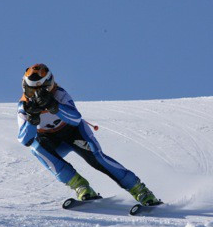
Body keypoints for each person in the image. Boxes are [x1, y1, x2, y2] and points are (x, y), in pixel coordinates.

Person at [17, 63, 159, 205]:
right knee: (36, 148)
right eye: (31, 90)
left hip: (73, 132)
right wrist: (31, 120)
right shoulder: (24, 105)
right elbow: (24, 140)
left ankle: (140, 190)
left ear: (50, 85)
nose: (36, 96)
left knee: (96, 158)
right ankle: (81, 187)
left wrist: (55, 106)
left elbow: (75, 118)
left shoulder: (59, 94)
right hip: (51, 139)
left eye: (43, 90)